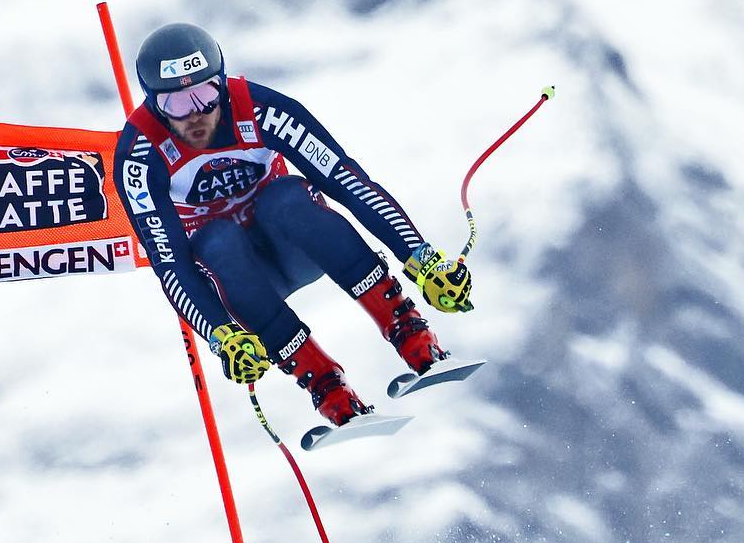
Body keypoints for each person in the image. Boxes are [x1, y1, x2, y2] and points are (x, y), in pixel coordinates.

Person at [112, 22, 473, 427]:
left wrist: (420, 256)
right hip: (238, 279)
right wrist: (220, 334)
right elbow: (170, 263)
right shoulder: (139, 156)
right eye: (176, 103)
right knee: (215, 240)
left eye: (206, 94)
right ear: (152, 103)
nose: (196, 113)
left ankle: (412, 336)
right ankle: (329, 389)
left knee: (285, 198)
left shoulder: (261, 110)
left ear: (223, 83)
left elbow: (348, 182)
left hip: (296, 244)